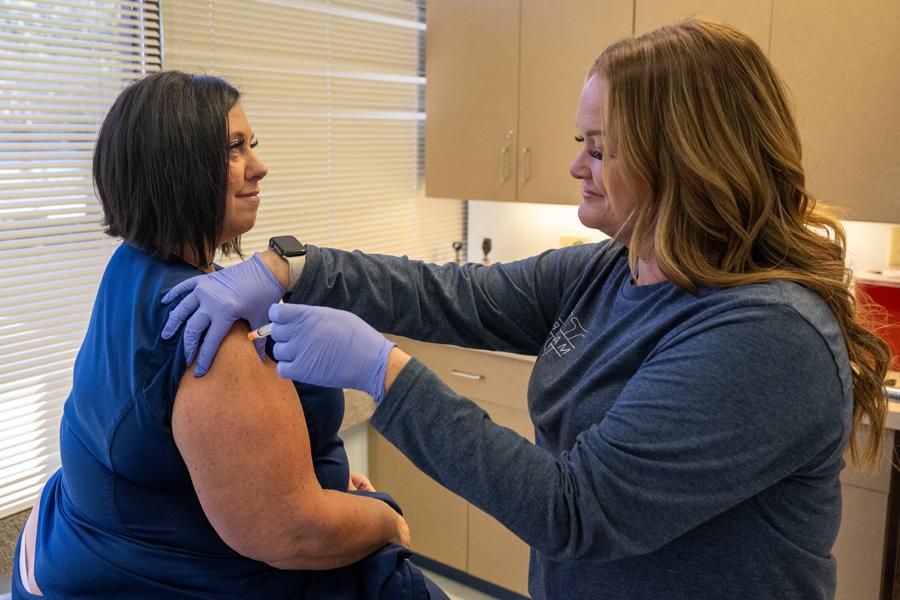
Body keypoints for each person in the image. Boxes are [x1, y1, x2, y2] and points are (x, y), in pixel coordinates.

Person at [162, 19, 892, 600]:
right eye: (584, 142)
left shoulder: (765, 334)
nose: (577, 165)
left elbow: (574, 509)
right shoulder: (615, 266)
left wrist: (380, 371)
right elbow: (457, 295)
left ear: (687, 160)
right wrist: (294, 266)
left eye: (601, 148)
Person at [13, 71, 444, 599]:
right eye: (234, 150)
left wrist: (319, 481)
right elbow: (294, 531)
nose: (259, 168)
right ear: (176, 170)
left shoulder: (131, 269)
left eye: (251, 146)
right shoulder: (209, 334)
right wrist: (385, 519)